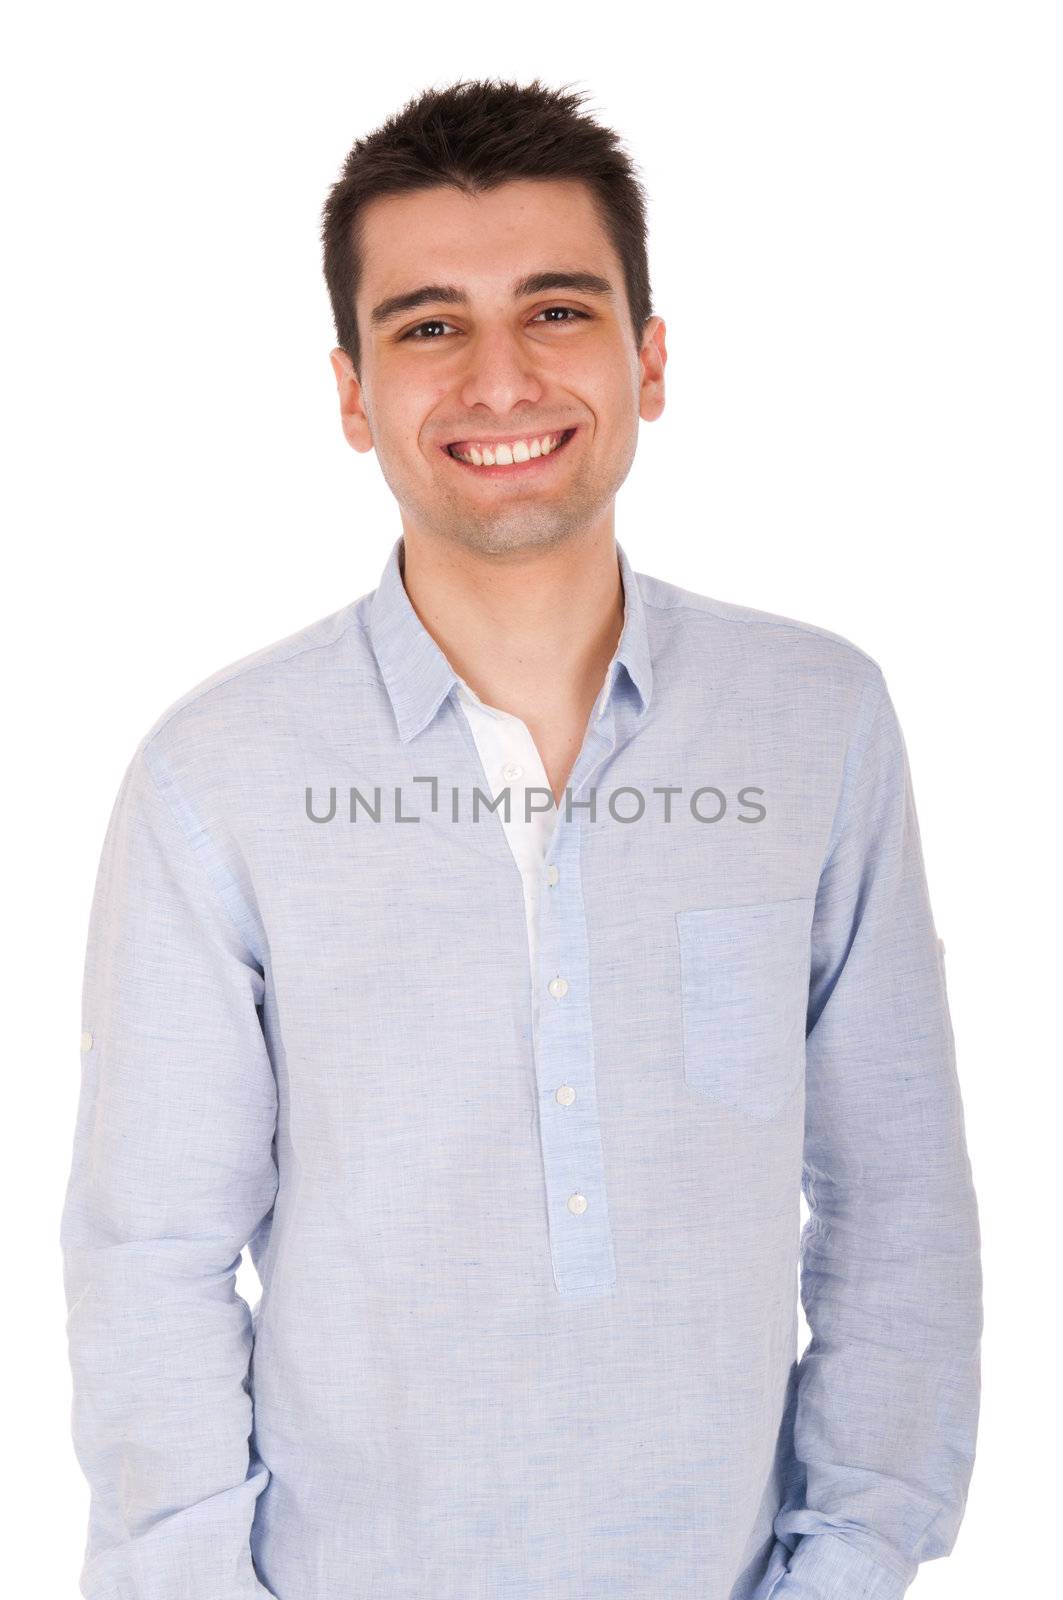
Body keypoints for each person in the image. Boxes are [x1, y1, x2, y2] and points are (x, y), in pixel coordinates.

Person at [59, 76, 982, 1600]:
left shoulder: (818, 723)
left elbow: (898, 1203)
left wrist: (847, 1566)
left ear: (649, 358)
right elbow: (148, 1261)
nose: (499, 378)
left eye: (556, 310)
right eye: (429, 326)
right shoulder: (216, 777)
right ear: (353, 392)